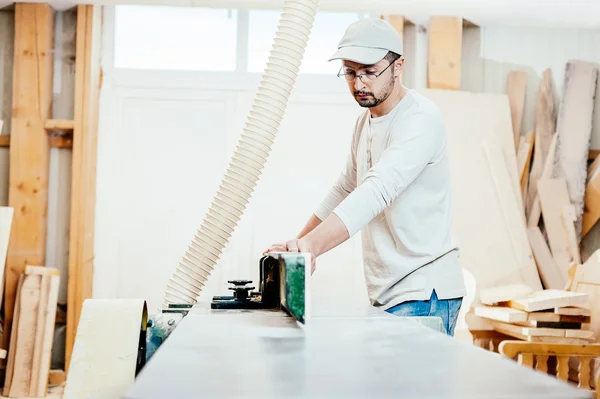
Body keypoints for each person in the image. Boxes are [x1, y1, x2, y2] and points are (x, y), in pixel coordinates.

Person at [264, 17, 466, 336]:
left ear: (398, 67)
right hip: (390, 293)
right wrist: (299, 245)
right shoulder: (365, 123)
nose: (359, 84)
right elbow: (346, 188)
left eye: (370, 72)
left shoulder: (420, 120)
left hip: (424, 292)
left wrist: (312, 247)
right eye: (350, 72)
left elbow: (376, 192)